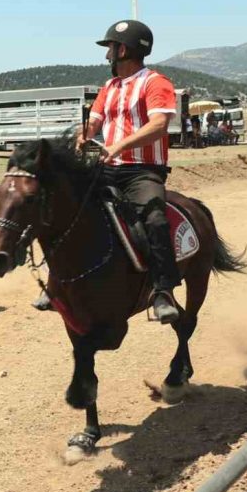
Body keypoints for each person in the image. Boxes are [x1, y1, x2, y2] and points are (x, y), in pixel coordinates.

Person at [56, 19, 181, 323]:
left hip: (142, 171)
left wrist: (119, 146)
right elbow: (95, 122)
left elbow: (159, 125)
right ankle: (56, 282)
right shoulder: (108, 88)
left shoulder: (155, 82)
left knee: (154, 218)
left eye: (110, 48)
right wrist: (83, 135)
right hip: (106, 167)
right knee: (66, 207)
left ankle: (164, 290)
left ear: (123, 49)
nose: (107, 55)